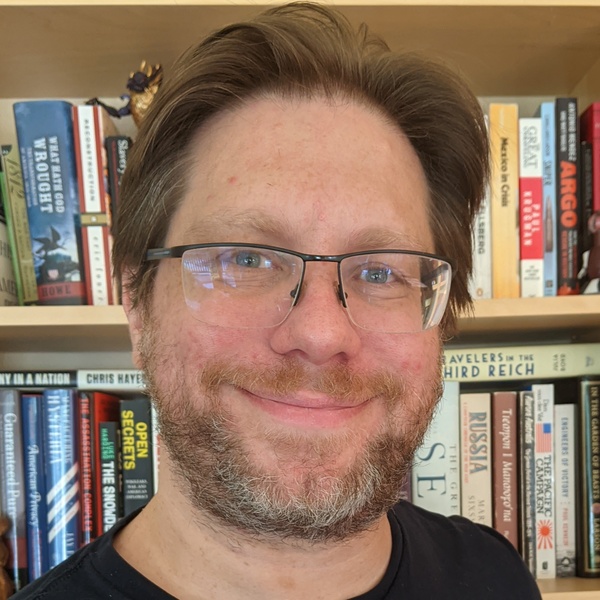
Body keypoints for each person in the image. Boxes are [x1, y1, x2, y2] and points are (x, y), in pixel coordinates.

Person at [12, 3, 542, 598]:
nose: (321, 334)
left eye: (379, 272)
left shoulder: (496, 577)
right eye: (247, 260)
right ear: (138, 306)